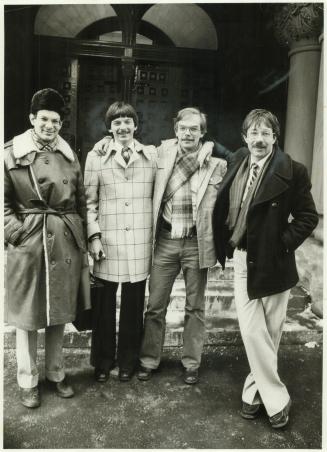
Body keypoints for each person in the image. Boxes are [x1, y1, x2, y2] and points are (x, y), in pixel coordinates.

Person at [85, 102, 216, 383]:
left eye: (127, 121)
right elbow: (89, 201)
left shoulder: (168, 157)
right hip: (126, 242)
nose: (122, 127)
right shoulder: (105, 157)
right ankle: (122, 361)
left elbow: (206, 155)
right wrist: (93, 237)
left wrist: (208, 147)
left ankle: (149, 363)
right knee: (128, 306)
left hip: (167, 243)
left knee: (160, 307)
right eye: (116, 123)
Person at [212, 109, 318, 428]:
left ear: (275, 137)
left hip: (275, 261)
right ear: (245, 138)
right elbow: (212, 148)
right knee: (252, 329)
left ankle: (255, 393)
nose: (259, 139)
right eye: (253, 133)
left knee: (270, 332)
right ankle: (276, 398)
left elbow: (308, 217)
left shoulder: (293, 171)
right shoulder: (239, 162)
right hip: (243, 258)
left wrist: (281, 243)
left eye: (266, 133)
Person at [4, 88, 90, 408]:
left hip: (63, 241)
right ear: (32, 119)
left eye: (55, 120)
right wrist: (17, 234)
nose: (50, 125)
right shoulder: (11, 153)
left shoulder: (69, 156)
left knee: (57, 312)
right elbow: (3, 203)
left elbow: (80, 200)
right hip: (29, 241)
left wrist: (80, 235)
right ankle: (28, 380)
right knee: (27, 315)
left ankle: (56, 373)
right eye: (44, 119)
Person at [137, 107, 227, 385]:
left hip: (196, 243)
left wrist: (213, 147)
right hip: (165, 241)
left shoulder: (216, 163)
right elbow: (130, 145)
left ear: (203, 132)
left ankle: (191, 363)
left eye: (195, 129)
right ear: (175, 130)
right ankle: (149, 360)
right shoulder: (160, 154)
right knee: (155, 306)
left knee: (195, 307)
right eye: (183, 128)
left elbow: (242, 160)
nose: (188, 133)